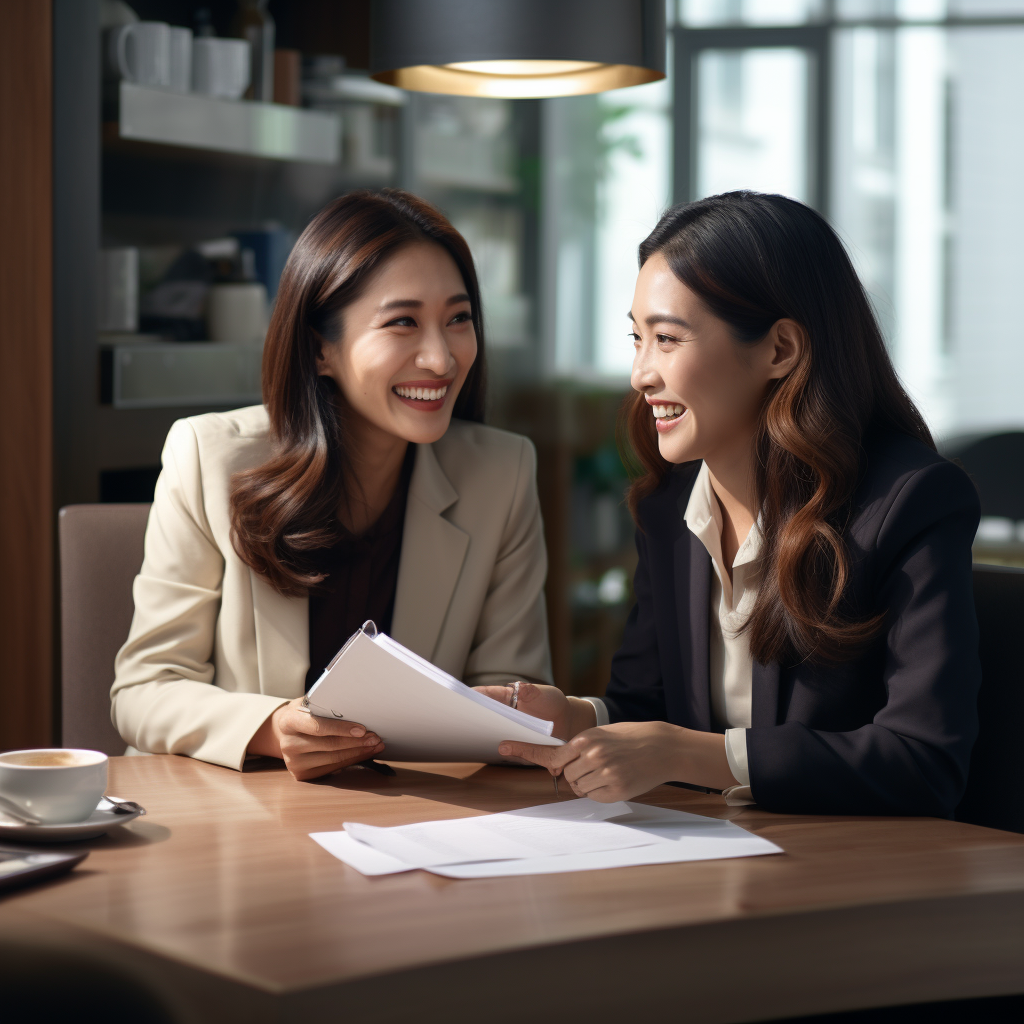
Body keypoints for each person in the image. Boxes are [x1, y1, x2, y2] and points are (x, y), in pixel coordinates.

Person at [483, 191, 981, 817]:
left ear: (780, 351)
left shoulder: (909, 502)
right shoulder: (670, 505)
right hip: (708, 858)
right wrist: (577, 718)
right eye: (637, 339)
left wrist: (693, 756)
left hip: (846, 875)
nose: (640, 373)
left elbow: (924, 761)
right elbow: (650, 710)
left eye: (667, 339)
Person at [112, 189, 552, 780]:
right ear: (321, 348)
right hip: (236, 823)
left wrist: (506, 713)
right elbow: (145, 689)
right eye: (402, 323)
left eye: (458, 319)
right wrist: (271, 727)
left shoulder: (502, 473)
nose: (442, 359)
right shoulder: (209, 457)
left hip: (415, 825)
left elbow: (513, 697)